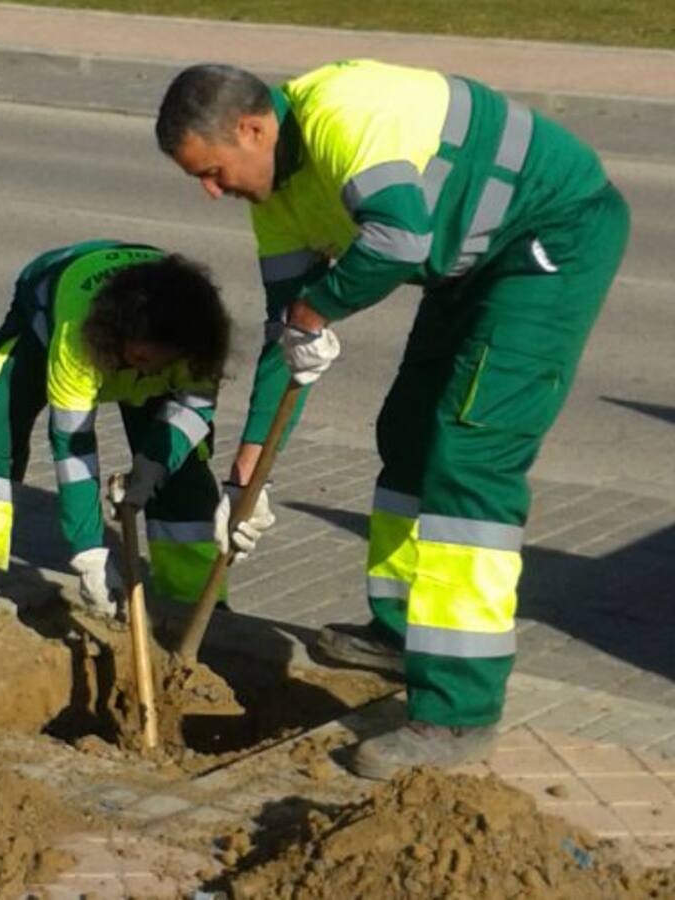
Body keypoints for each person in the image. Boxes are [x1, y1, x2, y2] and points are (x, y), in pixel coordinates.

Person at [155, 61, 630, 778]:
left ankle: (458, 710)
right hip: (469, 261)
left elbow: (398, 241)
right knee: (406, 433)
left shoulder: (346, 116)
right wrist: (253, 462)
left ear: (253, 128)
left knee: (470, 456)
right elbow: (292, 330)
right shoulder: (275, 199)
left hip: (549, 237)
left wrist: (321, 307)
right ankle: (401, 630)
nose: (213, 192)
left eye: (216, 171)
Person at [0, 240, 234, 619]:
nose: (148, 371)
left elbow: (194, 409)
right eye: (142, 359)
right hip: (44, 317)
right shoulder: (76, 339)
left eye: (161, 363)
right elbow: (73, 448)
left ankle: (195, 596)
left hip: (149, 329)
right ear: (119, 338)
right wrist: (89, 554)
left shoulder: (197, 335)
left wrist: (154, 467)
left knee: (184, 459)